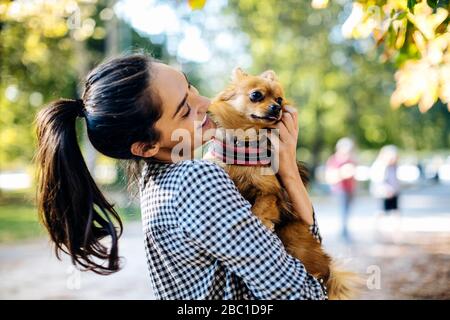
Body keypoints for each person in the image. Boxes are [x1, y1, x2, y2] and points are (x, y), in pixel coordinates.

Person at [35, 53, 326, 299]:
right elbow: (306, 293)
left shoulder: (156, 182)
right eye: (185, 109)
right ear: (147, 146)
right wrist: (287, 168)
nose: (205, 102)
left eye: (191, 87)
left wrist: (284, 165)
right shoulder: (197, 180)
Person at [325, 137, 357, 242]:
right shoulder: (334, 160)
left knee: (347, 212)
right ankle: (343, 233)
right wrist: (343, 173)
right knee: (342, 212)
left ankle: (345, 231)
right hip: (340, 191)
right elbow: (329, 177)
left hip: (350, 190)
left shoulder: (350, 160)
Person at [370, 145, 401, 216]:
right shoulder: (380, 165)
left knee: (395, 211)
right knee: (381, 212)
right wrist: (386, 189)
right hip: (383, 193)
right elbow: (378, 181)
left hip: (393, 192)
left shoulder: (393, 166)